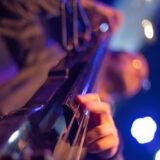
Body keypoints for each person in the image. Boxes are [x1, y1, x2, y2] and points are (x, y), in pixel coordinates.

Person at [0, 0, 146, 160]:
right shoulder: (53, 56)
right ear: (114, 54)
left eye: (142, 78)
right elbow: (12, 8)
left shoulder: (105, 131)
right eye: (134, 58)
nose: (141, 71)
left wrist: (113, 153)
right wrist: (78, 5)